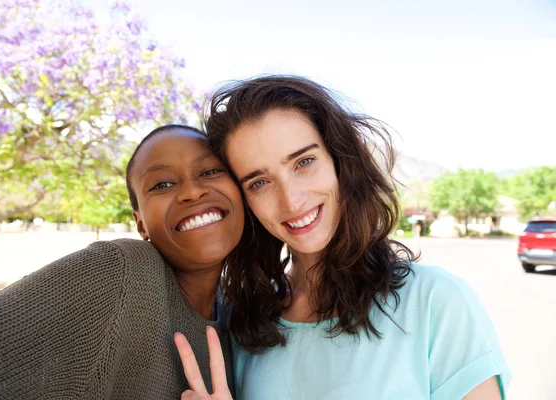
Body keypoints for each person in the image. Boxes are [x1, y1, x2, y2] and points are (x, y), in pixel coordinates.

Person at [175, 76, 511, 399]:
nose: (291, 200)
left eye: (304, 162)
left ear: (340, 161)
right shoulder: (247, 319)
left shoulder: (438, 302)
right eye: (259, 182)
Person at [0, 125, 244, 400]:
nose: (192, 192)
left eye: (210, 171)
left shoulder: (238, 310)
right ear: (140, 223)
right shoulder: (122, 273)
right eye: (162, 184)